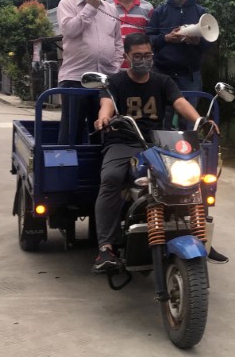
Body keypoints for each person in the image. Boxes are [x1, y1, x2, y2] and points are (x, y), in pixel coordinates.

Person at [92, 32, 226, 272]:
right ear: (126, 57)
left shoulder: (162, 81)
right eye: (138, 56)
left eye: (148, 55)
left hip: (158, 143)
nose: (144, 60)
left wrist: (200, 120)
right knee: (110, 178)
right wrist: (103, 119)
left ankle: (201, 235)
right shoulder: (115, 82)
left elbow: (180, 102)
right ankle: (106, 247)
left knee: (196, 178)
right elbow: (106, 105)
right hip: (123, 141)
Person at [56, 0, 123, 144]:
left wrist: (115, 67)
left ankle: (98, 170)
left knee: (102, 129)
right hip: (74, 79)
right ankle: (67, 170)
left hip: (104, 81)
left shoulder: (110, 9)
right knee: (72, 132)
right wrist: (90, 8)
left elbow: (118, 42)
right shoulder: (67, 4)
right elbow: (69, 30)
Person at [147, 0, 213, 128]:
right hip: (162, 72)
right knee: (161, 117)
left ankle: (187, 151)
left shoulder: (201, 12)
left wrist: (196, 41)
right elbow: (149, 39)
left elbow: (209, 42)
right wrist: (166, 38)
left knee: (188, 120)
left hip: (189, 75)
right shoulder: (159, 11)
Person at [110, 0, 154, 69]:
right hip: (112, 68)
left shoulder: (147, 7)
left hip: (139, 69)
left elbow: (151, 38)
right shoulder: (106, 7)